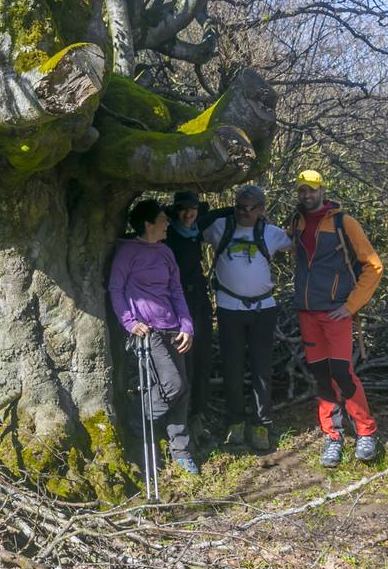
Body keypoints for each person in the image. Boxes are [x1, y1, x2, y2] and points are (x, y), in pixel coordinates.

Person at [289, 170, 384, 467]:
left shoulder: (344, 222)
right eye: (302, 190)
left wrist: (352, 305)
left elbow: (374, 266)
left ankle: (366, 432)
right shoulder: (297, 221)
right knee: (321, 375)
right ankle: (333, 437)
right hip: (307, 313)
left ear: (322, 190)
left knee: (343, 373)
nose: (307, 195)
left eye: (312, 190)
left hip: (336, 313)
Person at [109, 198, 198, 474]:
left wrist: (187, 326)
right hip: (149, 332)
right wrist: (129, 322)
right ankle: (136, 418)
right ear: (148, 224)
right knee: (173, 385)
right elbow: (115, 289)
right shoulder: (127, 252)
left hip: (173, 328)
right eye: (162, 219)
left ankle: (181, 452)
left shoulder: (165, 252)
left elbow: (176, 290)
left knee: (181, 391)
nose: (167, 223)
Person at [203, 185, 292, 452]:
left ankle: (261, 423)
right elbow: (192, 228)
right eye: (239, 207)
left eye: (250, 208)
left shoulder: (272, 233)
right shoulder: (220, 227)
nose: (244, 212)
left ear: (262, 209)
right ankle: (235, 423)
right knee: (232, 367)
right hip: (229, 309)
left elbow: (301, 244)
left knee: (261, 368)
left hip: (264, 310)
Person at [162, 191, 215, 430]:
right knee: (185, 359)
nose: (188, 214)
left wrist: (257, 214)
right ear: (174, 212)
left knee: (203, 355)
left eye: (192, 209)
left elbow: (223, 212)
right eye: (182, 209)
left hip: (200, 300)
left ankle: (200, 412)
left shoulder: (195, 229)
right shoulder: (167, 234)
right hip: (178, 301)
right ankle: (180, 418)